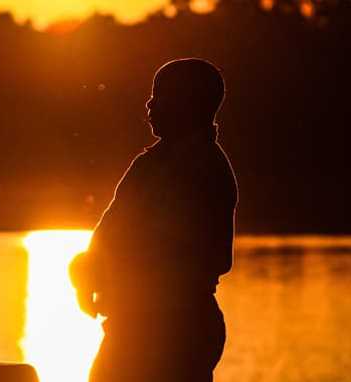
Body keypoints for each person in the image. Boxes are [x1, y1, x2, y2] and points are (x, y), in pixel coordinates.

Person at [70, 58, 238, 382]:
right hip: (133, 326)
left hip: (176, 330)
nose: (149, 104)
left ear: (189, 105)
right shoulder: (148, 165)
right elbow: (110, 229)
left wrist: (116, 274)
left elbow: (213, 258)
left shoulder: (205, 170)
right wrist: (84, 270)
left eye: (161, 96)